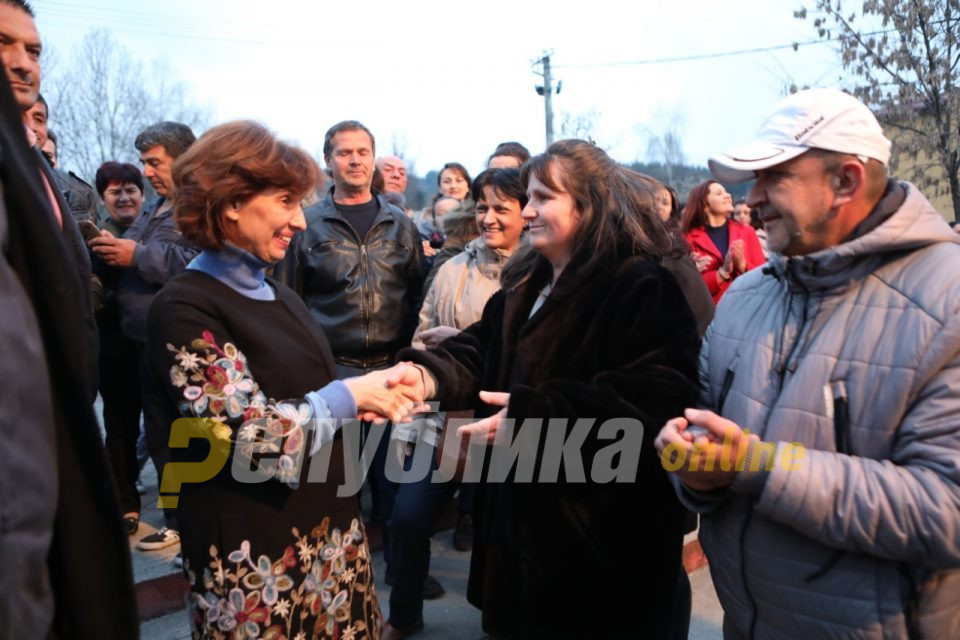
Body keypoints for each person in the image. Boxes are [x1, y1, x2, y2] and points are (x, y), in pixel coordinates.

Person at [655, 88, 960, 638]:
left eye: (777, 177)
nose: (755, 197)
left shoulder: (947, 299)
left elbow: (947, 511)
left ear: (845, 180)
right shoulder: (745, 298)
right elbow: (710, 445)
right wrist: (696, 471)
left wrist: (760, 466)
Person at [396, 139, 700, 638]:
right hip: (521, 541)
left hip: (598, 546)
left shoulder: (639, 283)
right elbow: (482, 346)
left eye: (542, 198)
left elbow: (659, 395)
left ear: (588, 204)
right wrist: (427, 375)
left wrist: (540, 415)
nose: (528, 211)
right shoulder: (528, 282)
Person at [147, 120, 427, 638]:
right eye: (284, 202)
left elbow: (306, 396)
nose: (300, 222)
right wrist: (346, 396)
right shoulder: (183, 308)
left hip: (330, 546)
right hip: (255, 561)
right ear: (231, 202)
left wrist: (371, 393)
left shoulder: (280, 295)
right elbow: (252, 440)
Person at [0, 15, 137, 637]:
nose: (24, 61)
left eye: (33, 49)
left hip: (58, 406)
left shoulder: (44, 176)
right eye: (4, 43)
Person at [90, 120, 199, 553]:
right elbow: (129, 243)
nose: (148, 171)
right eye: (145, 163)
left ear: (183, 159)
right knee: (161, 439)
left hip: (181, 347)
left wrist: (138, 256)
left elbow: (196, 261)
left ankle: (196, 519)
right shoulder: (157, 208)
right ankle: (176, 520)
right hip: (144, 346)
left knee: (188, 438)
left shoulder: (199, 207)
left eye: (154, 162)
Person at [91, 161, 146, 535]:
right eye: (116, 191)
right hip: (115, 350)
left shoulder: (158, 230)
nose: (125, 197)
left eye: (131, 190)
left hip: (154, 345)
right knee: (121, 429)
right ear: (103, 198)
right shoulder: (94, 238)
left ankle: (176, 504)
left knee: (167, 429)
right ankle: (126, 504)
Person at [682, 179, 764, 303]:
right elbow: (687, 288)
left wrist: (743, 265)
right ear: (705, 206)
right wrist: (721, 273)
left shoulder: (747, 232)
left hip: (747, 308)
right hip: (711, 315)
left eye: (726, 192)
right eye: (719, 193)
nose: (728, 195)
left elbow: (764, 277)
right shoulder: (688, 239)